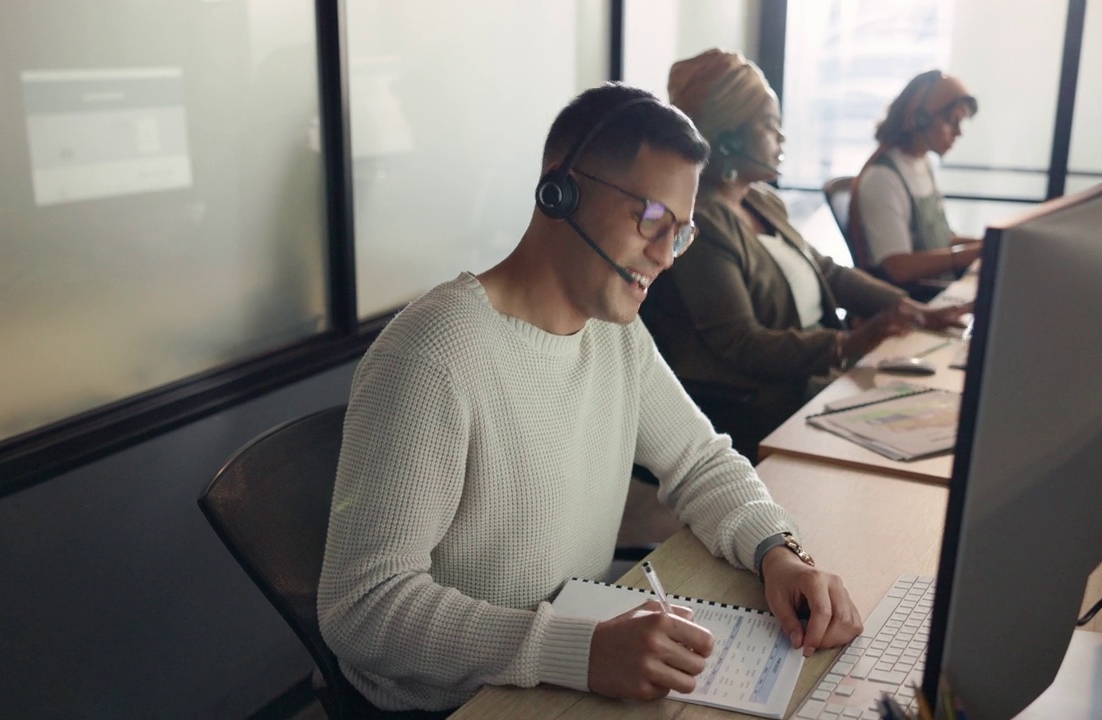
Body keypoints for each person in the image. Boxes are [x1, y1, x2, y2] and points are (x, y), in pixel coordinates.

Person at [317, 83, 864, 716]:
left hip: (567, 661)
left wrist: (780, 553)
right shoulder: (433, 355)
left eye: (680, 234)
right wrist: (574, 650)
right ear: (561, 190)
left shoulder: (615, 334)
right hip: (457, 702)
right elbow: (362, 605)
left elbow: (701, 463)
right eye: (652, 219)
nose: (664, 256)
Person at [640, 50, 967, 463]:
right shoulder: (700, 223)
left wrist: (913, 310)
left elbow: (828, 273)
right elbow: (744, 344)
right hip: (761, 401)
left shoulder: (761, 201)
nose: (782, 139)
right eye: (771, 128)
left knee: (941, 416)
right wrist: (848, 343)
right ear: (728, 140)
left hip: (814, 376)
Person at [850, 70, 982, 301]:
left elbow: (939, 239)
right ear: (919, 120)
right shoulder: (883, 178)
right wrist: (970, 253)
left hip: (941, 291)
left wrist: (990, 245)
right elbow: (898, 267)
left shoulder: (922, 163)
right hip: (916, 303)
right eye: (952, 121)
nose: (959, 133)